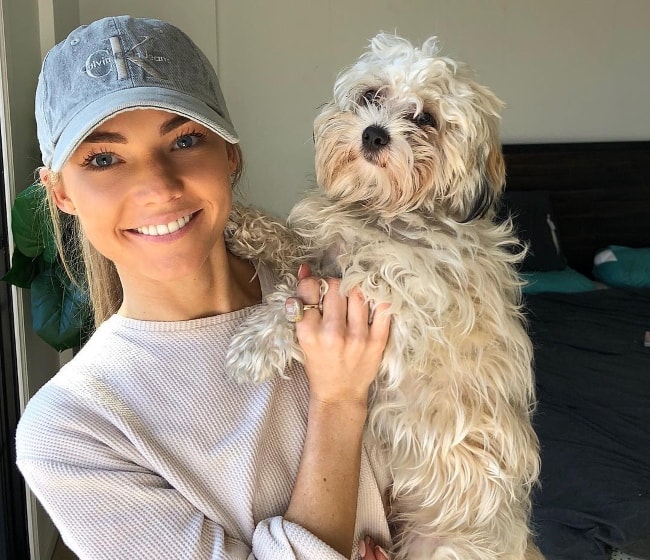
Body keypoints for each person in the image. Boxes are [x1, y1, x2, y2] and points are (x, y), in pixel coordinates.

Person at [15, 15, 392, 560]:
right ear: (61, 194)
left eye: (185, 140)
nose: (158, 187)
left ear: (230, 154)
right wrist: (337, 402)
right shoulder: (75, 428)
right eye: (103, 159)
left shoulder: (335, 279)